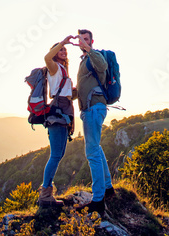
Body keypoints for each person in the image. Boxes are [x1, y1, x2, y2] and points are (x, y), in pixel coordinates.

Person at [75, 29, 114, 215]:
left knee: (91, 152)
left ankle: (98, 201)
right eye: (80, 39)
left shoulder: (94, 56)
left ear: (91, 41)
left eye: (85, 39)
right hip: (90, 108)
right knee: (96, 148)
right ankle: (108, 188)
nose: (82, 41)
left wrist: (89, 49)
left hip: (93, 108)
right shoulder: (84, 61)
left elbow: (103, 65)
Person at [37, 35, 74, 207]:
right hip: (58, 111)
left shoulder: (63, 70)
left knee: (58, 155)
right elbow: (46, 57)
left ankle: (47, 193)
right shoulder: (53, 67)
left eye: (65, 49)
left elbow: (68, 93)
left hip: (64, 109)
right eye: (60, 49)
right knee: (55, 155)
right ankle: (45, 195)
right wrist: (64, 41)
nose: (63, 51)